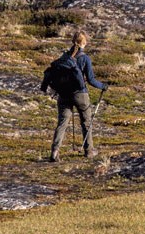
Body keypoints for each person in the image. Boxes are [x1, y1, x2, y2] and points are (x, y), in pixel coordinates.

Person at [40, 32, 107, 161]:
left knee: (62, 123)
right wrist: (103, 86)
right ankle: (89, 150)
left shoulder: (64, 57)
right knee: (86, 121)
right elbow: (91, 80)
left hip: (63, 94)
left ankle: (54, 152)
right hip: (80, 94)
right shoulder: (85, 58)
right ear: (84, 42)